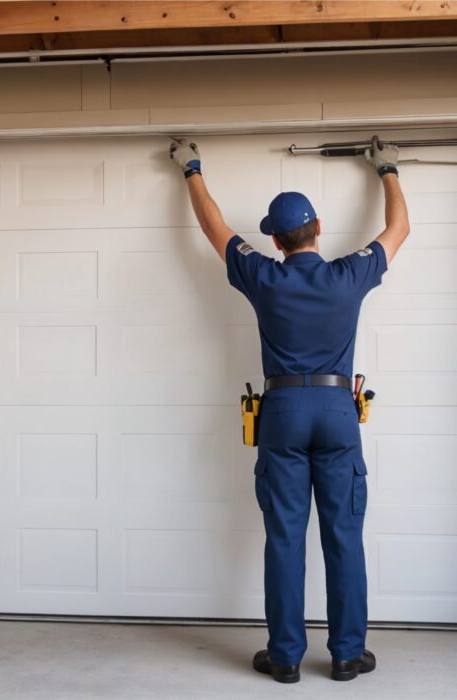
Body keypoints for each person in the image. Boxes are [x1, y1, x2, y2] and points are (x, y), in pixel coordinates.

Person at [169, 136, 410, 683]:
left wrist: (192, 168)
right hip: (335, 407)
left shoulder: (265, 276)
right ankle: (348, 654)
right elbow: (399, 230)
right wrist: (388, 169)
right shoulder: (350, 273)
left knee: (284, 536)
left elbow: (214, 227)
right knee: (343, 534)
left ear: (275, 240)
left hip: (282, 410)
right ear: (319, 228)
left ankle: (284, 658)